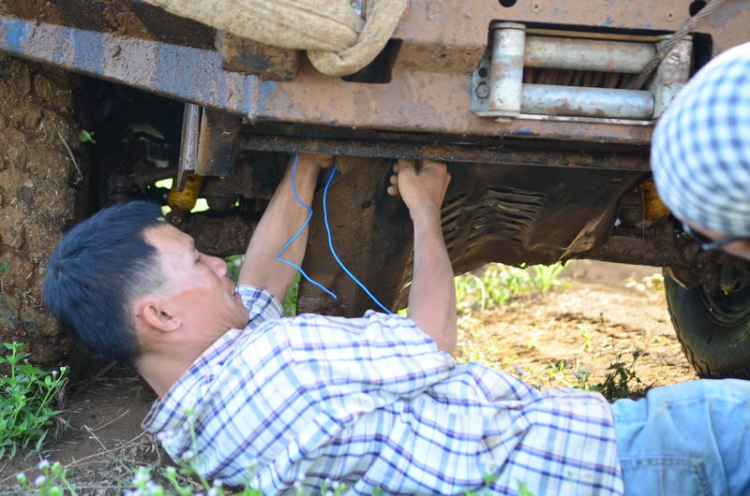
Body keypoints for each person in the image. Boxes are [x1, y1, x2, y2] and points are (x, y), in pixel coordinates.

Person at [43, 46, 750, 495]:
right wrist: (423, 207)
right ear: (160, 314)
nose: (218, 265)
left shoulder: (199, 419)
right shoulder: (285, 364)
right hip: (624, 459)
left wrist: (307, 163)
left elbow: (259, 282)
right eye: (195, 261)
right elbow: (433, 340)